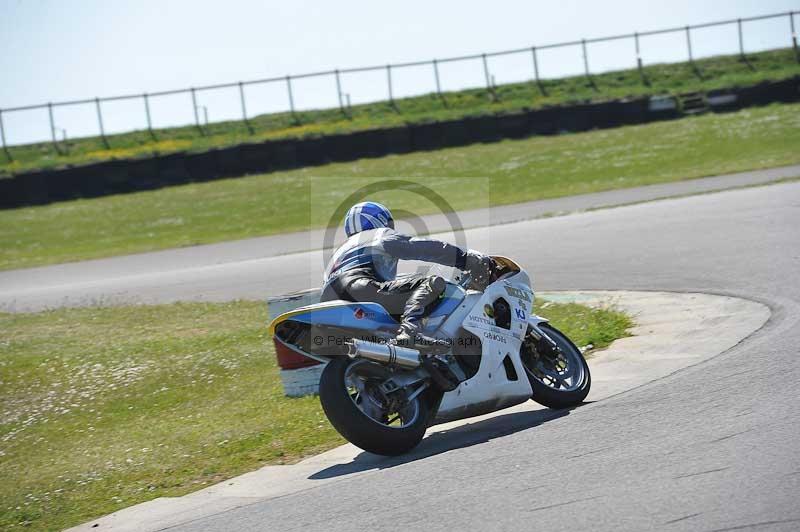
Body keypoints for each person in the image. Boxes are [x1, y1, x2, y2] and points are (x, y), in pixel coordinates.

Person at [321, 201, 494, 347]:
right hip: (360, 287)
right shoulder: (378, 234)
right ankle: (410, 331)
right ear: (379, 221)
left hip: (329, 299)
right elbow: (423, 248)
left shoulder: (339, 251)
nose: (391, 228)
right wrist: (467, 260)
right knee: (433, 284)